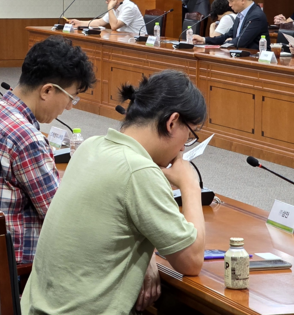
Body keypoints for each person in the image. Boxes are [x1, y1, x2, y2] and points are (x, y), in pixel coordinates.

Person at [21, 70, 205, 315]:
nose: (183, 148)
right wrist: (190, 185)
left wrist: (147, 256)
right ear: (172, 122)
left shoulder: (90, 146)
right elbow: (191, 261)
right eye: (189, 136)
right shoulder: (140, 172)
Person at [0, 36, 96, 264]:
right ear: (47, 90)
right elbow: (61, 218)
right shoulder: (26, 139)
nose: (70, 107)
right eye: (71, 98)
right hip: (13, 272)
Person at [191, 0, 268, 50]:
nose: (229, 5)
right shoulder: (240, 15)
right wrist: (204, 40)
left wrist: (227, 42)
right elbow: (227, 36)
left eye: (231, 0)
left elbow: (241, 42)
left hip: (254, 58)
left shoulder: (256, 16)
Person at [69, 0, 145, 35]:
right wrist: (80, 23)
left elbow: (114, 26)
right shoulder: (116, 7)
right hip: (124, 39)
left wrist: (110, 7)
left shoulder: (129, 7)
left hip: (138, 42)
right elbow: (100, 22)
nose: (106, 2)